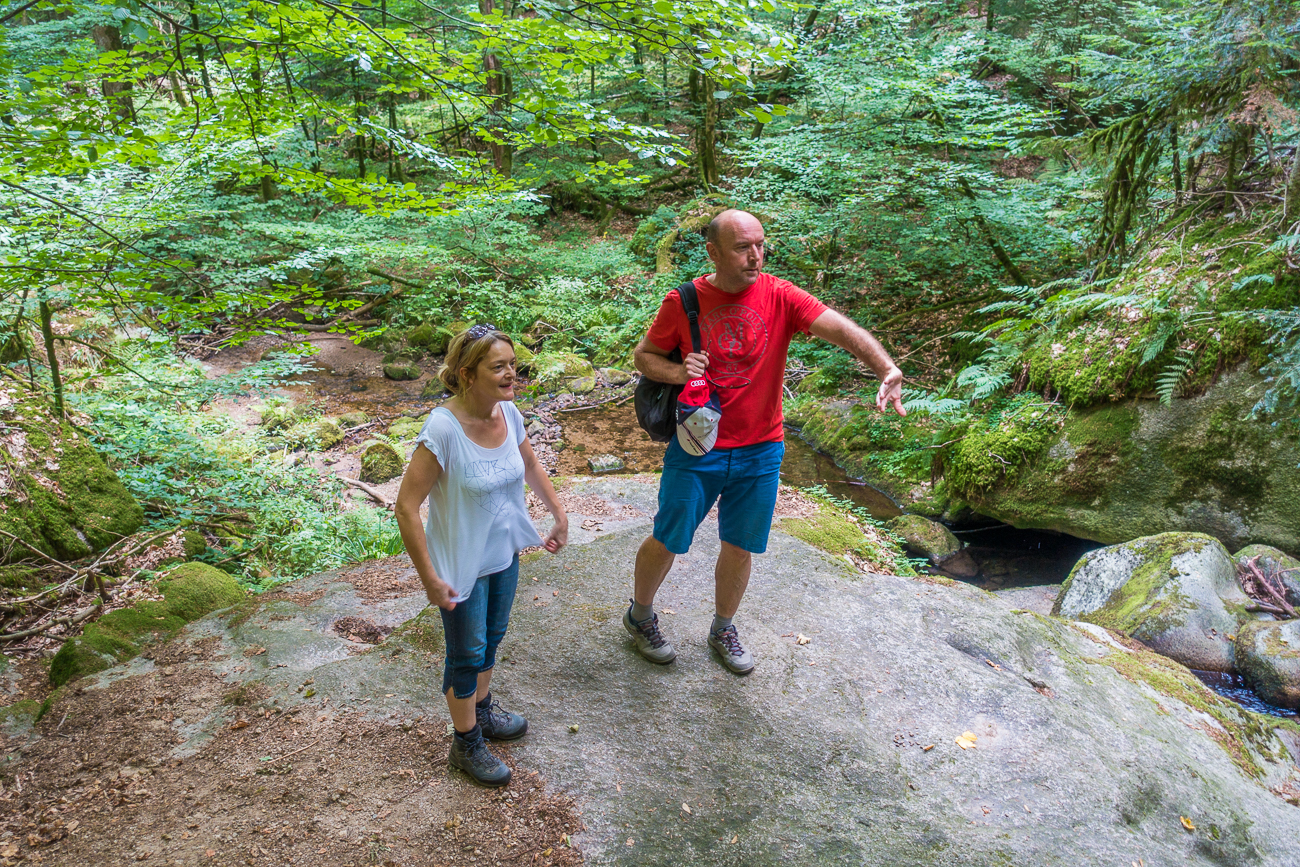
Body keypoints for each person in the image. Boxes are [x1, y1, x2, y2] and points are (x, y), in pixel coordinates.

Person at [623, 209, 906, 674]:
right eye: (742, 247)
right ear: (713, 252)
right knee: (669, 537)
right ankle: (640, 615)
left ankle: (723, 628)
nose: (755, 256)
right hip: (698, 444)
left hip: (761, 449)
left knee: (740, 544)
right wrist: (679, 371)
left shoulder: (780, 295)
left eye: (760, 245)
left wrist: (885, 367)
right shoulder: (685, 300)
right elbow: (644, 356)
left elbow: (843, 330)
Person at [395, 324, 569, 787]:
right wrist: (429, 577)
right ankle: (465, 741)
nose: (512, 373)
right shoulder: (442, 429)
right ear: (468, 374)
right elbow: (406, 507)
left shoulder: (509, 414)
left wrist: (557, 512)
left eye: (512, 363)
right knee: (466, 653)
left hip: (504, 554)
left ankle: (484, 712)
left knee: (492, 637)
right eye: (499, 367)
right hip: (460, 566)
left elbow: (530, 464)